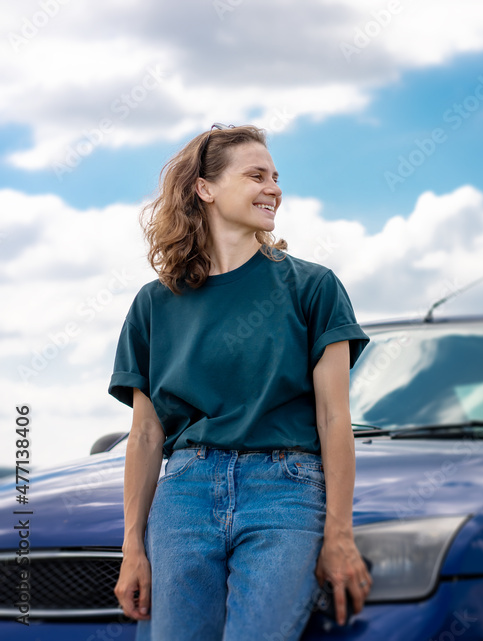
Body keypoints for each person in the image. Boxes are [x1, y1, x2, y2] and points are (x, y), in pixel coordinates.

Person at [108, 123, 372, 639]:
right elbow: (144, 435)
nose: (273, 187)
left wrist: (339, 533)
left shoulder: (313, 287)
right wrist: (132, 546)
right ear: (205, 189)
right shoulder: (153, 305)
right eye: (256, 175)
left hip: (286, 492)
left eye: (275, 176)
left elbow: (335, 417)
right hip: (182, 496)